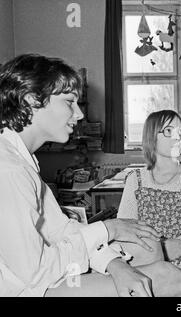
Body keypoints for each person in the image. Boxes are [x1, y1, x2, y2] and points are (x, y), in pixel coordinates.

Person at [0, 54, 163, 297]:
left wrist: (114, 265)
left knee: (148, 247)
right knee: (165, 278)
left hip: (38, 276)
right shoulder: (10, 169)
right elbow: (35, 275)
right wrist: (108, 229)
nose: (79, 114)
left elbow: (61, 230)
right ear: (31, 99)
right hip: (25, 288)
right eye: (69, 102)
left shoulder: (23, 162)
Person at [117, 110, 181, 270]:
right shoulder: (135, 179)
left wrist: (156, 249)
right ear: (151, 136)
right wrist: (164, 247)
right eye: (168, 130)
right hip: (143, 263)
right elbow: (126, 229)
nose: (177, 136)